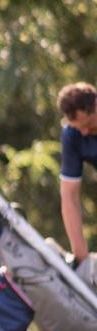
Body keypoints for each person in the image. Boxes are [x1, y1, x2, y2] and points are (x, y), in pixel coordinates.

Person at [57, 82, 97, 268]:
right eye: (78, 127)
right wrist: (82, 258)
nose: (84, 132)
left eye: (88, 124)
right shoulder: (72, 134)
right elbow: (69, 195)